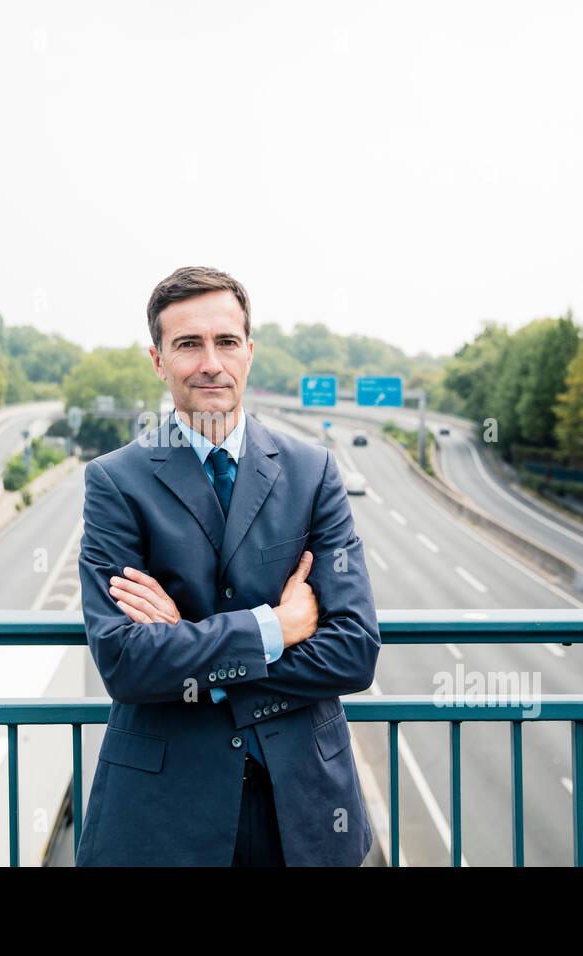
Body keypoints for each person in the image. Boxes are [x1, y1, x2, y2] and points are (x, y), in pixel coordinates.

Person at [74, 265, 380, 866]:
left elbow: (354, 649)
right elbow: (125, 663)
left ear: (248, 353)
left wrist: (192, 653)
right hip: (167, 814)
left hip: (303, 809)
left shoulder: (313, 472)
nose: (210, 361)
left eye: (226, 341)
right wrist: (276, 628)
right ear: (159, 360)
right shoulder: (115, 481)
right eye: (188, 344)